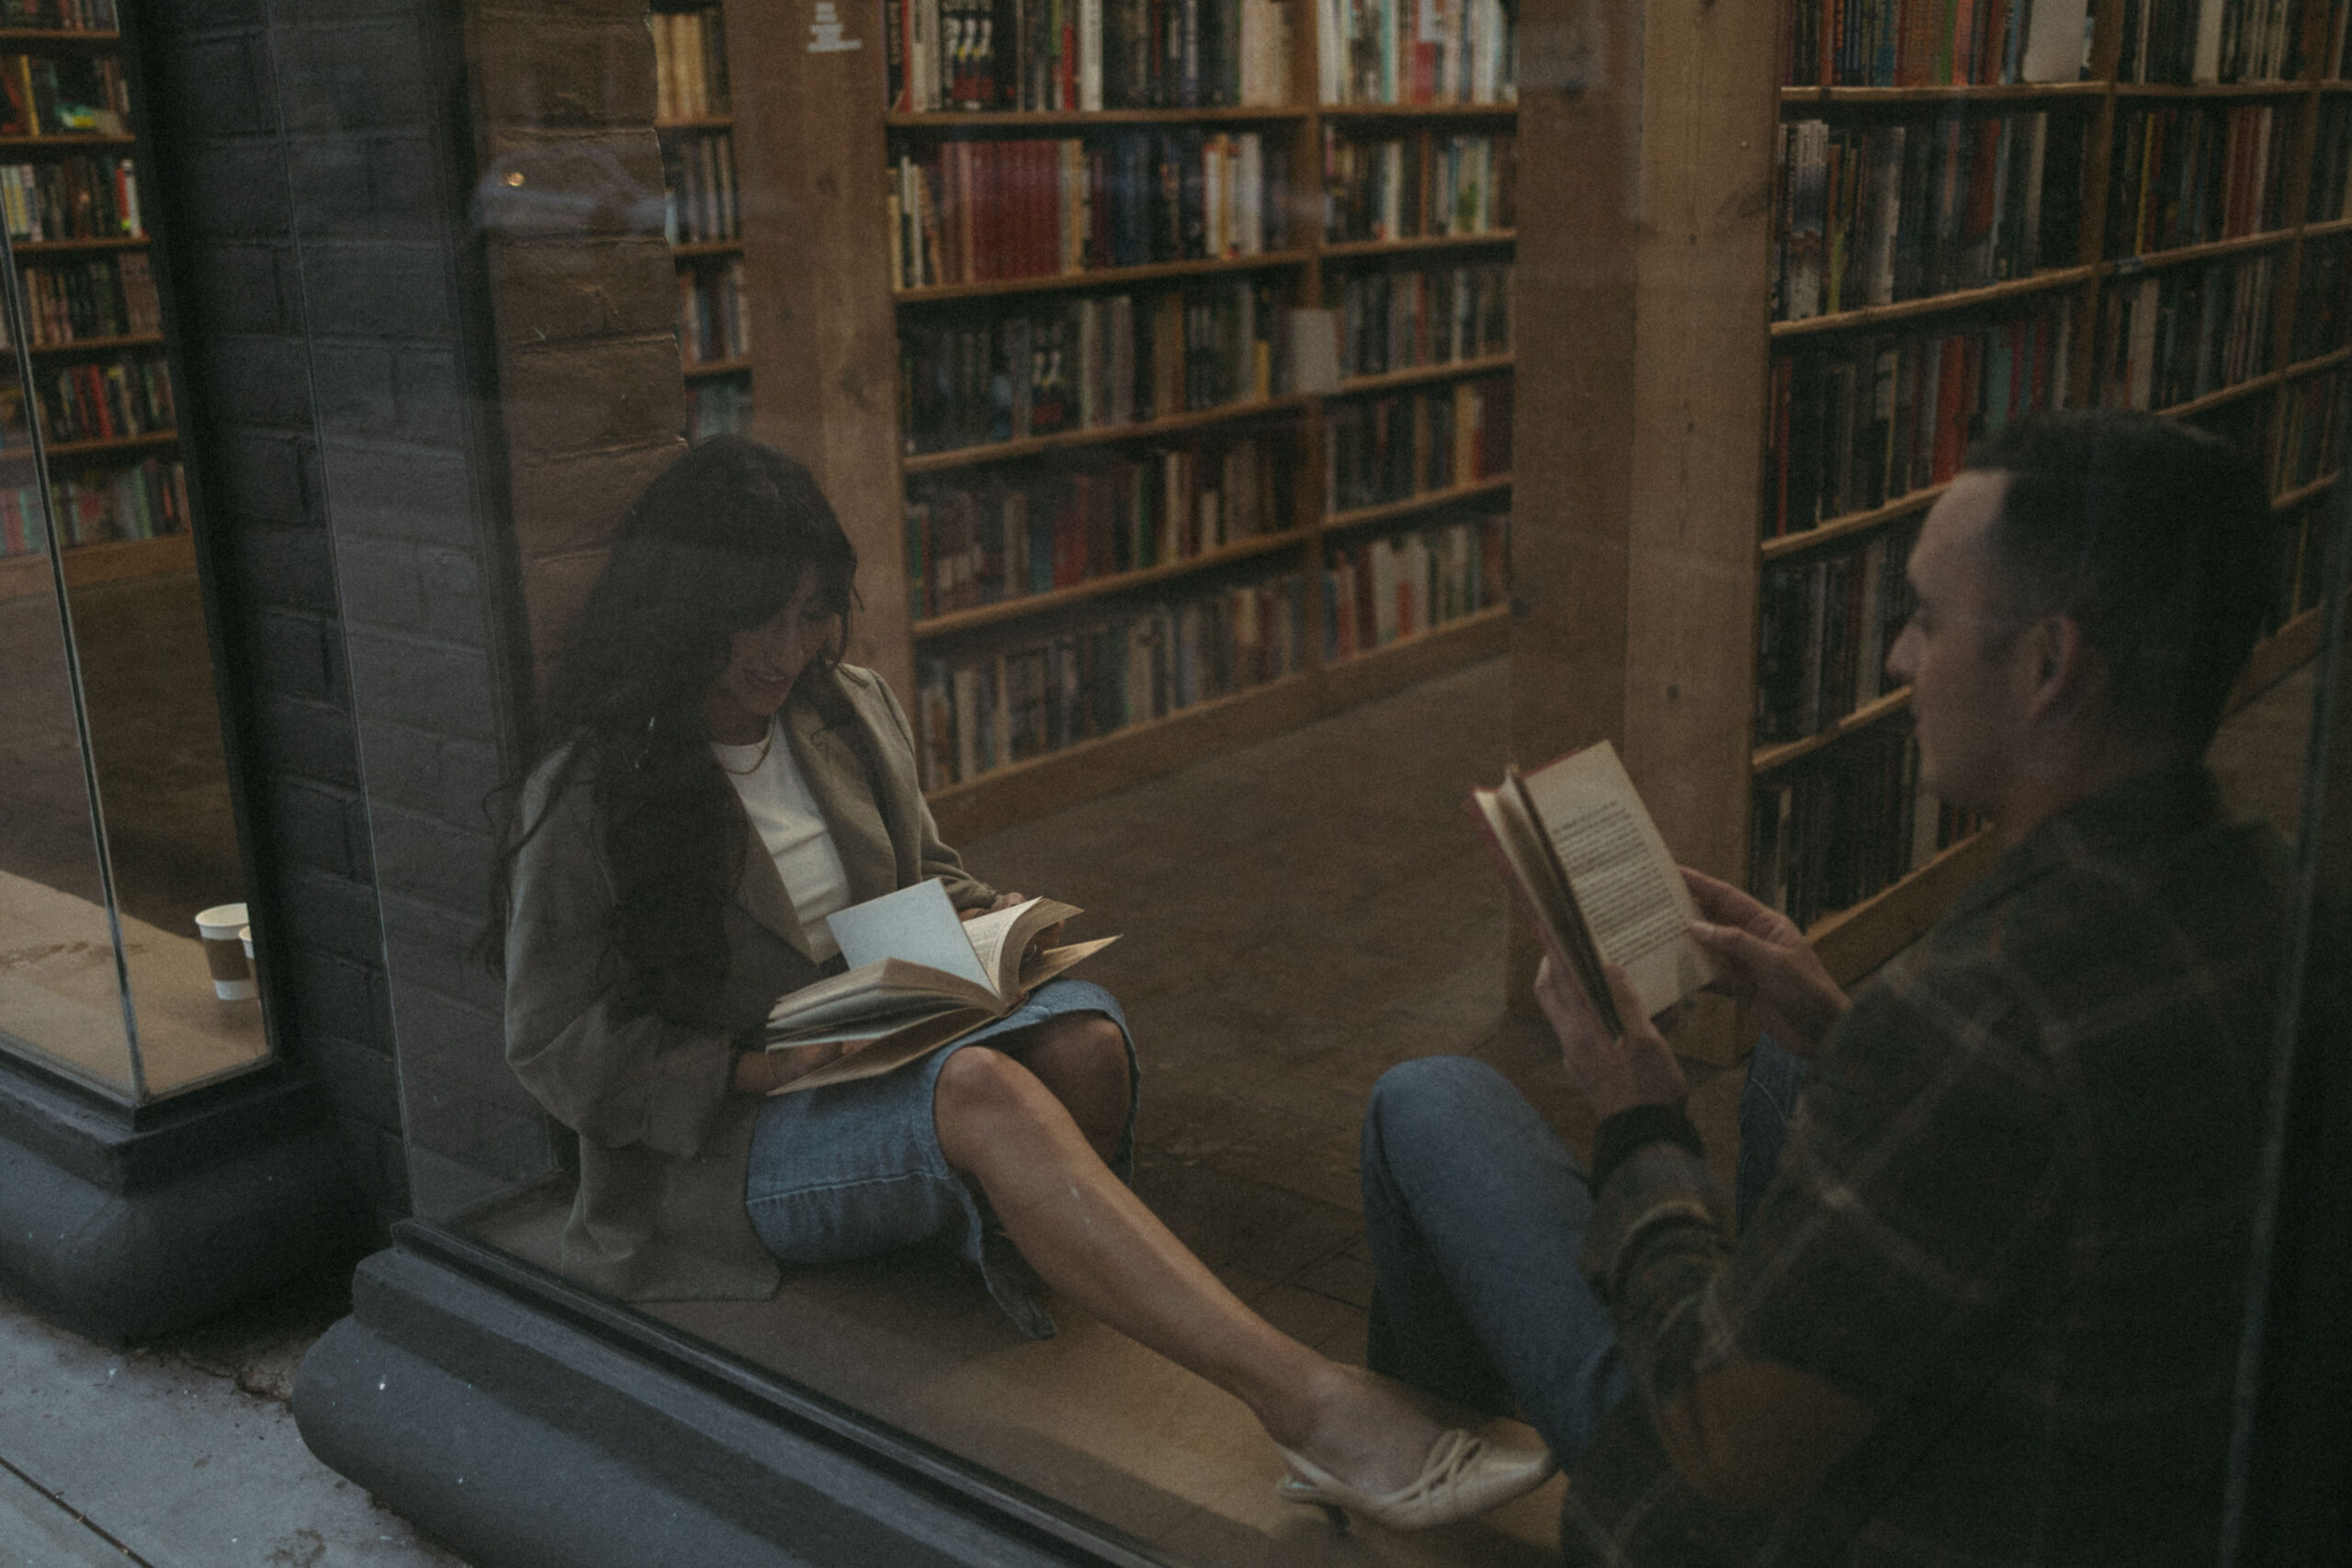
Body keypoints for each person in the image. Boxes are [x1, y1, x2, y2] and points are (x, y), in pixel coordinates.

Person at [486, 436, 1553, 1531]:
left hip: (875, 1042)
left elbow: (924, 881)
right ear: (685, 604)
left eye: (812, 612)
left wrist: (999, 934)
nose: (787, 648)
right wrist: (759, 1066)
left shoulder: (845, 712)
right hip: (727, 1136)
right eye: (757, 614)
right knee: (983, 1097)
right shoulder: (594, 784)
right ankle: (1313, 1407)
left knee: (1084, 1044)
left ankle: (1013, 1252)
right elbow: (551, 1040)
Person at [1357, 409, 2291, 1563]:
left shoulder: (1986, 1013)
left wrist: (1639, 1115)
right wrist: (1837, 1026)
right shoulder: (2266, 892)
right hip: (2071, 1460)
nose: (1898, 658)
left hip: (1819, 1508)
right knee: (1787, 1071)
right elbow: (2011, 1146)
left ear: (2050, 667)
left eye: (1927, 619)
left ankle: (1422, 1491)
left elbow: (1727, 1439)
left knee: (1429, 1106)